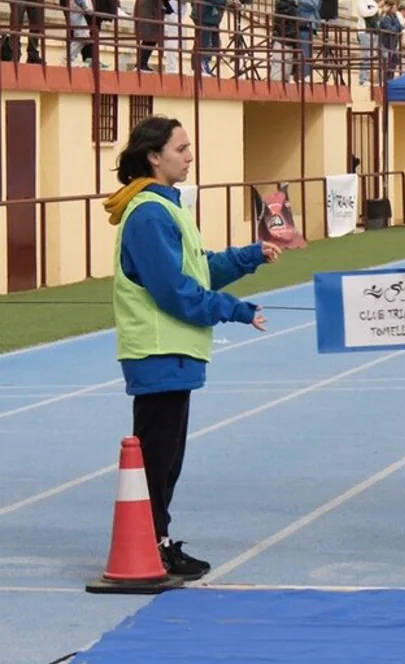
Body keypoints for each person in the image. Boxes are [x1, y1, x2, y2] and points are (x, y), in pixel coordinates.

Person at [102, 116, 281, 580]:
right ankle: (151, 544)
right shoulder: (148, 214)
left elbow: (197, 271)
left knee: (167, 460)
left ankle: (157, 540)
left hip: (175, 354)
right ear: (153, 157)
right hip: (158, 351)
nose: (189, 155)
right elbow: (174, 291)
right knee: (158, 459)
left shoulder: (170, 208)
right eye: (181, 148)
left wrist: (250, 256)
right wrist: (235, 310)